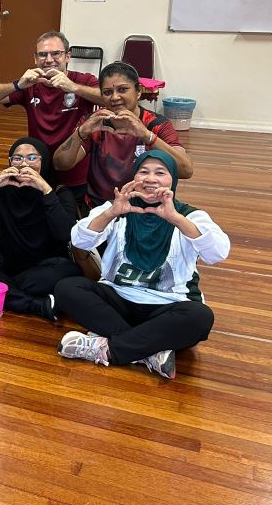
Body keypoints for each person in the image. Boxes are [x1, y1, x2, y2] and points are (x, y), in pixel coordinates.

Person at [54, 150, 229, 380]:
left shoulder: (189, 215)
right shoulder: (119, 207)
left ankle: (108, 348)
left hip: (167, 306)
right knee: (67, 288)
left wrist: (176, 219)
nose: (150, 179)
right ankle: (149, 352)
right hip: (118, 299)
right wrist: (111, 213)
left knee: (200, 317)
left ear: (173, 179)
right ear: (134, 177)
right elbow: (79, 240)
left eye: (160, 173)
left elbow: (218, 253)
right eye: (143, 172)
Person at [0, 137, 80, 321]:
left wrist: (45, 190)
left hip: (43, 265)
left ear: (44, 161)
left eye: (32, 158)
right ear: (10, 162)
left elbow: (65, 234)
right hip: (7, 258)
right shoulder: (2, 186)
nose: (24, 164)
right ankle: (32, 304)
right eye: (18, 158)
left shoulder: (58, 192)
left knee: (68, 270)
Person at [0, 30, 102, 204]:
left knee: (71, 218)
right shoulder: (30, 84)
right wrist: (17, 85)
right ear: (35, 59)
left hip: (74, 171)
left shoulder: (82, 80)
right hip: (38, 170)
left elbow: (107, 98)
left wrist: (74, 87)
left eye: (56, 53)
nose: (49, 59)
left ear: (67, 56)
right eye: (43, 55)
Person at [52, 61, 193, 209]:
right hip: (100, 208)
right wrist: (80, 132)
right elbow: (61, 164)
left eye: (122, 89)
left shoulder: (157, 124)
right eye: (107, 92)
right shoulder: (94, 123)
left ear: (138, 91)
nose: (114, 97)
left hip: (146, 209)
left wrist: (147, 135)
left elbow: (186, 170)